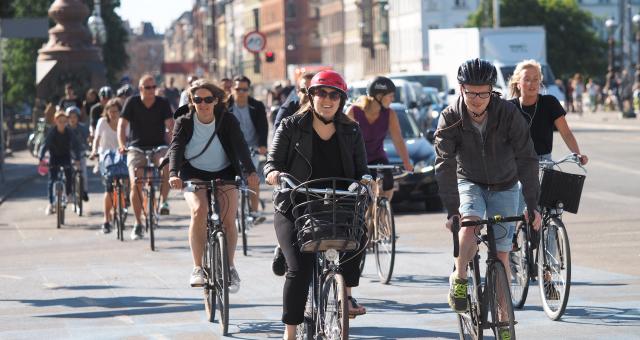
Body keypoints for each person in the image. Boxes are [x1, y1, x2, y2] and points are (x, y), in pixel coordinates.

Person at [434, 59, 542, 332]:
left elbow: (527, 158)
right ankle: (459, 279)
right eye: (471, 93)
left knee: (501, 256)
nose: (477, 100)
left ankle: (505, 323)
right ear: (461, 89)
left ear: (492, 90)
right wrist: (451, 211)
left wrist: (532, 205)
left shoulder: (507, 113)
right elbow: (444, 164)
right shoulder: (450, 116)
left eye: (483, 93)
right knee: (468, 226)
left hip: (506, 184)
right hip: (469, 181)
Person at [264, 70, 369, 340]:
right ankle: (289, 333)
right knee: (299, 268)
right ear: (310, 96)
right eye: (321, 92)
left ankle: (345, 295)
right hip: (295, 205)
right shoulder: (290, 125)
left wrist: (368, 179)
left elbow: (362, 169)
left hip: (337, 204)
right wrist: (273, 173)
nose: (327, 99)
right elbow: (272, 163)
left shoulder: (351, 129)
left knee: (360, 232)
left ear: (341, 100)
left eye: (334, 94)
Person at [167, 79, 258, 293]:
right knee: (199, 210)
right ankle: (198, 267)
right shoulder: (184, 122)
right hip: (193, 173)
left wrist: (251, 171)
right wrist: (173, 174)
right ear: (191, 101)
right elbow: (176, 147)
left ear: (216, 100)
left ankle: (230, 266)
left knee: (228, 219)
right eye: (197, 99)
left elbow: (241, 146)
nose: (203, 104)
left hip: (225, 172)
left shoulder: (228, 120)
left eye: (208, 99)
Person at [117, 74, 174, 240]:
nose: (151, 91)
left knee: (167, 165)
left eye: (153, 87)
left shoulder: (162, 103)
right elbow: (122, 125)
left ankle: (163, 201)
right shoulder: (132, 103)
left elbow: (170, 126)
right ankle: (138, 223)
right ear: (140, 89)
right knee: (136, 181)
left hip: (159, 146)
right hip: (136, 147)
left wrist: (172, 145)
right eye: (148, 88)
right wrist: (122, 144)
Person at [508, 60, 588, 166]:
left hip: (545, 163)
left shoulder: (550, 102)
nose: (531, 83)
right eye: (527, 79)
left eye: (535, 79)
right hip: (516, 164)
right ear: (518, 84)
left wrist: (578, 155)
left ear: (540, 82)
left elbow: (566, 133)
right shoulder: (509, 107)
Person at [346, 76, 414, 199]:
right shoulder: (354, 111)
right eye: (390, 95)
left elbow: (398, 139)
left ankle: (384, 209)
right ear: (378, 96)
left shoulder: (390, 114)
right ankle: (366, 215)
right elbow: (344, 140)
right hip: (358, 158)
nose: (393, 99)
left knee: (388, 184)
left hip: (378, 157)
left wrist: (406, 162)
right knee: (363, 192)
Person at [227, 75, 269, 225]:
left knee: (253, 178)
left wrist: (263, 145)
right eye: (238, 89)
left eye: (245, 89)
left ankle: (253, 211)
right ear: (232, 89)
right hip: (231, 149)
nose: (241, 92)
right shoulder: (225, 106)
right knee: (229, 180)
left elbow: (263, 127)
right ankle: (228, 211)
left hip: (252, 148)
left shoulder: (257, 105)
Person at [90, 99, 128, 234]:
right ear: (106, 112)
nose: (112, 114)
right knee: (109, 188)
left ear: (120, 112)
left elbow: (129, 138)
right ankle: (106, 220)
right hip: (106, 157)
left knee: (127, 181)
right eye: (110, 111)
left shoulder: (124, 123)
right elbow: (96, 139)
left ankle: (124, 201)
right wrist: (94, 151)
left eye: (115, 111)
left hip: (121, 155)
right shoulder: (102, 122)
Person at [38, 110, 82, 215]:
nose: (62, 123)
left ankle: (69, 194)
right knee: (52, 180)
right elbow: (45, 145)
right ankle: (51, 203)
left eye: (64, 121)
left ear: (66, 121)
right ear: (55, 121)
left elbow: (76, 145)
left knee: (69, 173)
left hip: (66, 156)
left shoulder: (69, 131)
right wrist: (41, 157)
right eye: (59, 121)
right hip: (54, 157)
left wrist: (77, 159)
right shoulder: (52, 132)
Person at [66, 106, 90, 202]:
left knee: (83, 172)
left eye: (74, 117)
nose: (72, 119)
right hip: (68, 153)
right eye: (70, 117)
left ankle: (84, 191)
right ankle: (70, 192)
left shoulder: (83, 128)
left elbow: (88, 138)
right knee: (68, 173)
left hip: (81, 153)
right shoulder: (65, 128)